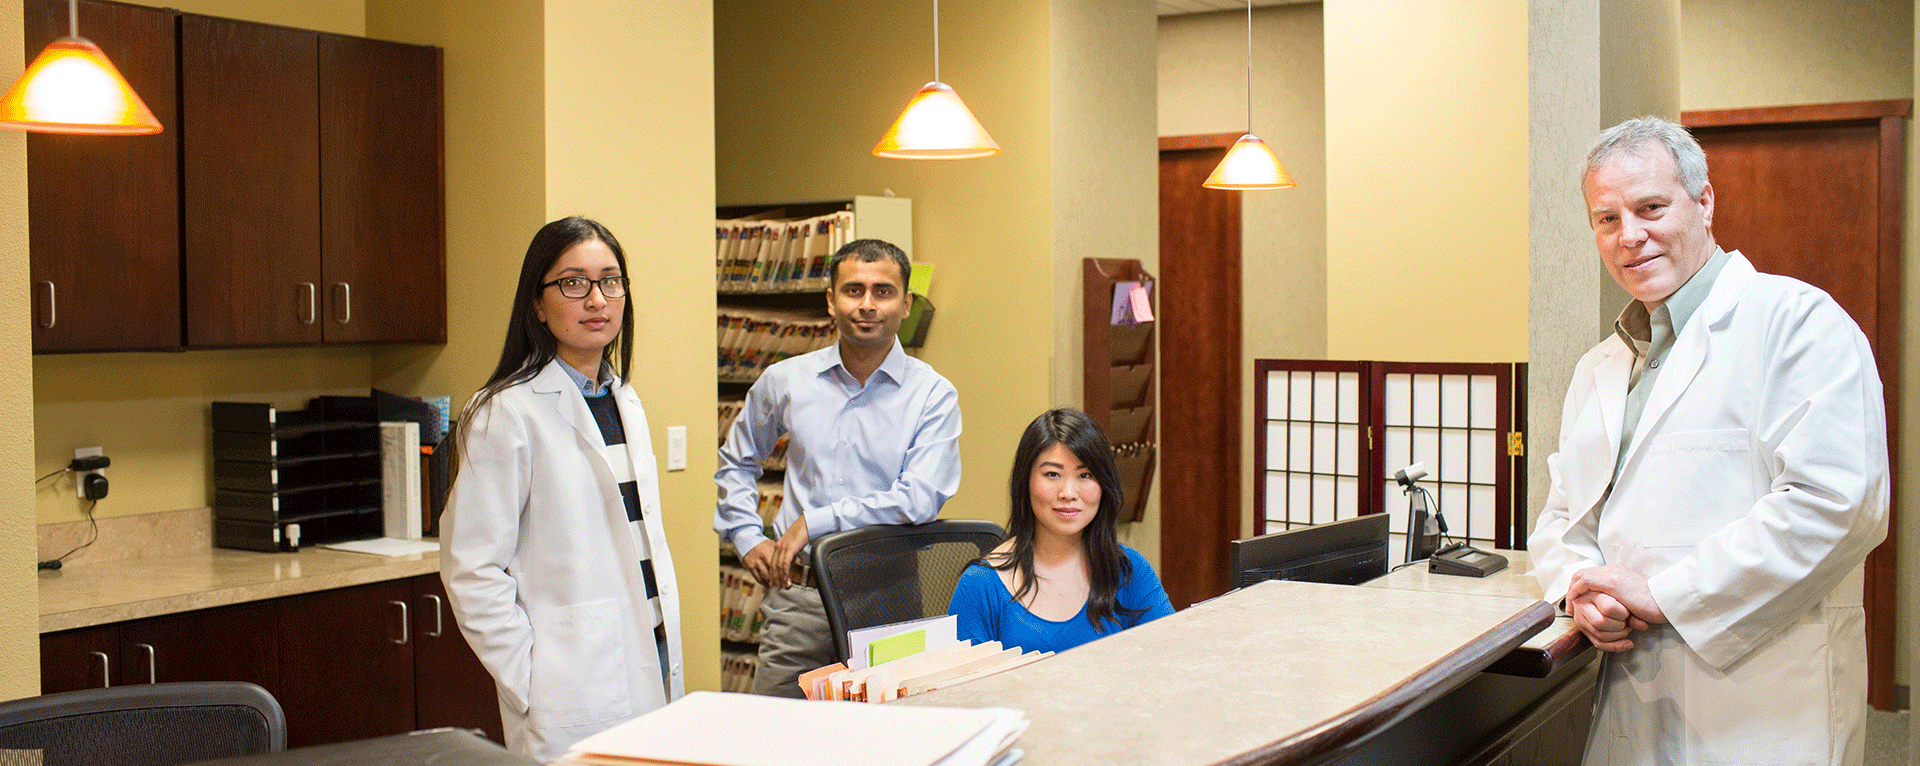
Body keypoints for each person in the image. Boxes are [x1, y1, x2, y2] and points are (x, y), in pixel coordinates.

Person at [1529, 117, 1888, 766]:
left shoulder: (1798, 324)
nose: (1629, 236)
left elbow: (1839, 504)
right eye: (1606, 219)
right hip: (1633, 691)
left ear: (1705, 202)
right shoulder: (1599, 367)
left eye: (1650, 208)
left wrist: (1666, 595)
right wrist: (1581, 587)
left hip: (1761, 704)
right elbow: (1563, 515)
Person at [440, 217, 683, 763]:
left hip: (651, 651)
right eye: (574, 283)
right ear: (538, 303)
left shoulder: (626, 402)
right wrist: (531, 676)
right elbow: (471, 567)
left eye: (610, 281)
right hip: (567, 681)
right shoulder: (505, 412)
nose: (597, 299)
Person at [713, 238, 963, 697]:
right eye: (853, 290)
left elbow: (920, 497)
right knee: (776, 739)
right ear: (831, 300)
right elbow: (737, 459)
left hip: (887, 598)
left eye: (883, 292)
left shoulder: (933, 395)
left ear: (906, 304)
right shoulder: (786, 380)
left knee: (886, 743)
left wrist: (816, 523)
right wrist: (746, 537)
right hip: (799, 602)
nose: (867, 305)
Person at [947, 408, 1173, 654]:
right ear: (1026, 481)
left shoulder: (1129, 571)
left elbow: (1170, 660)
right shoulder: (980, 585)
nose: (1068, 493)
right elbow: (961, 690)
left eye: (1085, 475)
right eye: (1052, 474)